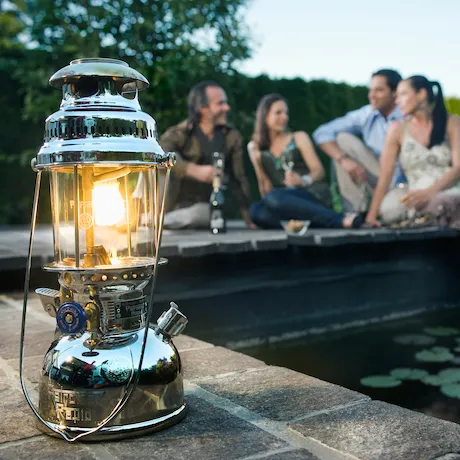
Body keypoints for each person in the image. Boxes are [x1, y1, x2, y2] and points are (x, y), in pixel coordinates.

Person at [247, 94, 363, 229]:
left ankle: (340, 220)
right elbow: (264, 185)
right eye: (278, 113)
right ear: (265, 116)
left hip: (310, 193)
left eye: (286, 113)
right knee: (255, 211)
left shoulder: (299, 137)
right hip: (283, 199)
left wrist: (303, 180)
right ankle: (313, 222)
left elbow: (319, 171)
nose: (285, 117)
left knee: (274, 198)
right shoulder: (255, 147)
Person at [365, 76, 460, 228]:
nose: (397, 101)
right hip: (414, 191)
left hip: (446, 188)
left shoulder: (452, 122)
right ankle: (422, 218)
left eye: (402, 94)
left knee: (443, 203)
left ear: (421, 94)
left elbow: (458, 167)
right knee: (390, 208)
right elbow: (385, 174)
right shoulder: (397, 129)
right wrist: (371, 215)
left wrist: (430, 192)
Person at [159, 81, 254, 229]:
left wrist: (248, 216)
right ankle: (154, 217)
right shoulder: (180, 133)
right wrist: (191, 170)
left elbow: (239, 178)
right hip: (171, 202)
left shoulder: (232, 137)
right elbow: (158, 152)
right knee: (163, 163)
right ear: (203, 109)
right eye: (220, 103)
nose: (227, 108)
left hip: (204, 208)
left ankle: (156, 222)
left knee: (204, 214)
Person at [312, 69, 404, 212]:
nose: (371, 96)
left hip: (401, 183)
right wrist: (343, 159)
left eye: (379, 90)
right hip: (376, 176)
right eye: (370, 90)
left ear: (394, 93)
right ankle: (354, 212)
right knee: (342, 139)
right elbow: (322, 132)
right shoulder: (367, 114)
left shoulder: (407, 116)